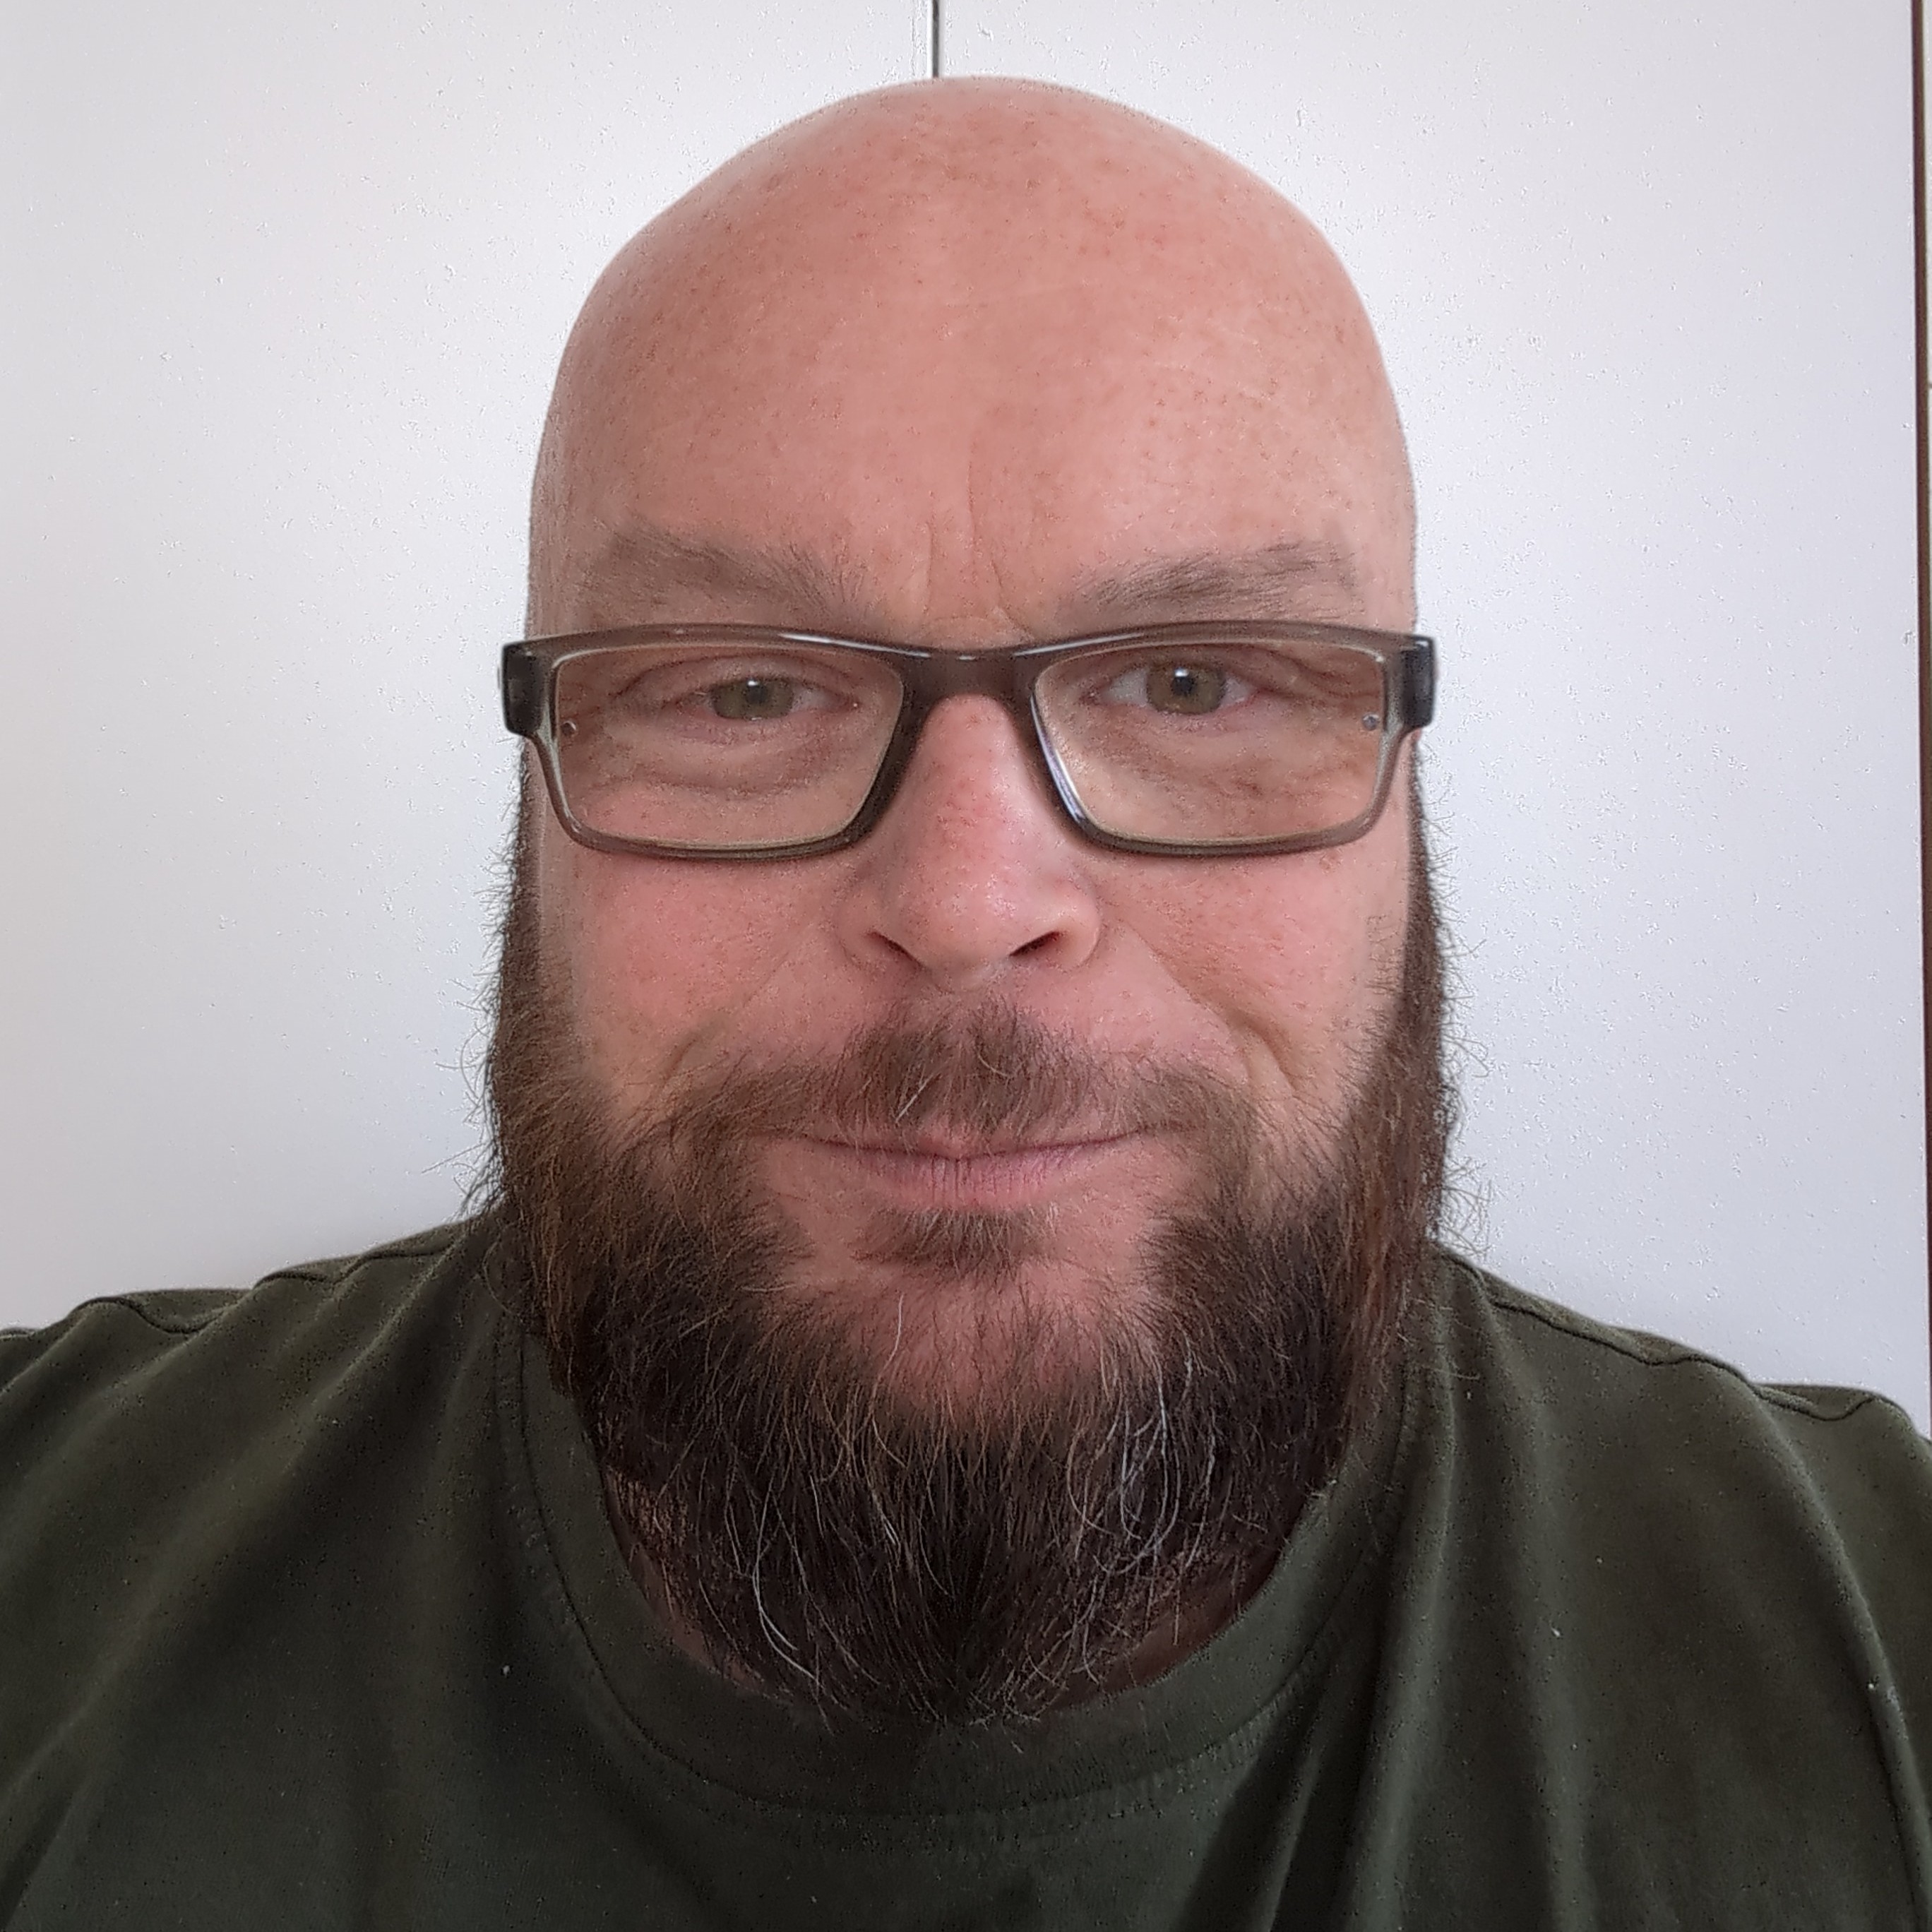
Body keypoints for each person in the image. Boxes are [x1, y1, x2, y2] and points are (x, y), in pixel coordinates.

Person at [3, 76, 1928, 1931]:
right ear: (535, 786)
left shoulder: (1883, 1664)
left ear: (1409, 782)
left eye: (1193, 684)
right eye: (744, 690)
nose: (965, 904)